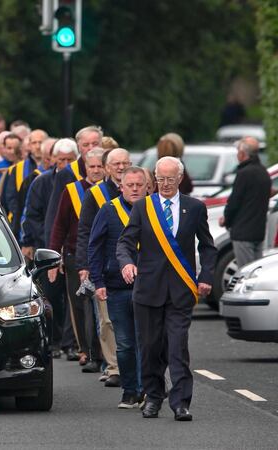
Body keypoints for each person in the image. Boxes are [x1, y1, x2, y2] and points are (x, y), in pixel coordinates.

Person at [117, 156, 217, 421]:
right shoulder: (143, 207)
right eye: (160, 179)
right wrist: (127, 264)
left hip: (181, 290)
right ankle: (153, 397)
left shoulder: (194, 208)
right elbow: (126, 242)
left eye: (170, 179)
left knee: (177, 347)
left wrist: (206, 275)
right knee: (150, 348)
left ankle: (181, 402)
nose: (164, 184)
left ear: (180, 179)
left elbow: (207, 246)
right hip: (148, 290)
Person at [88, 166, 147, 408]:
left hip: (148, 287)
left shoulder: (153, 210)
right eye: (129, 185)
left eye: (139, 185)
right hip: (116, 286)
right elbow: (95, 246)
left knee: (146, 340)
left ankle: (147, 389)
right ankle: (130, 390)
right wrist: (98, 281)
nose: (134, 189)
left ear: (147, 187)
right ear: (120, 186)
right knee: (124, 343)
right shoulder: (108, 210)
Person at [75, 148, 132, 385]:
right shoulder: (96, 194)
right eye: (115, 164)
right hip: (108, 268)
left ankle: (134, 366)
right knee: (108, 320)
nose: (120, 167)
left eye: (124, 163)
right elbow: (86, 232)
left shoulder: (142, 191)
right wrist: (85, 265)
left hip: (137, 268)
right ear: (107, 168)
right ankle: (114, 368)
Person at [49, 147, 106, 372]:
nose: (96, 170)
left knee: (102, 307)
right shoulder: (72, 190)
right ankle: (87, 350)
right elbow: (59, 225)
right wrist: (55, 257)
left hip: (104, 255)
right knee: (81, 305)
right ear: (85, 168)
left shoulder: (111, 190)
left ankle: (103, 351)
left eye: (100, 166)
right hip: (75, 255)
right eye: (91, 166)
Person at [20, 139, 79, 359]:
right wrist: (36, 240)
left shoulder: (79, 184)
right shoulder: (41, 182)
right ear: (52, 159)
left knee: (73, 296)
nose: (64, 163)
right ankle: (53, 340)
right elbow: (32, 215)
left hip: (72, 247)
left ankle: (71, 343)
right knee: (52, 295)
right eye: (60, 159)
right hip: (47, 247)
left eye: (69, 160)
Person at [220, 137, 271, 267]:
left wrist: (226, 219)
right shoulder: (263, 172)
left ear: (243, 154)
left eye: (238, 151)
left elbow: (234, 201)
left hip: (243, 232)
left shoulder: (244, 173)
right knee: (256, 269)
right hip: (258, 231)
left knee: (245, 271)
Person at [2, 129, 48, 238]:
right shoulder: (17, 169)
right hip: (21, 223)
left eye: (40, 142)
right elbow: (10, 198)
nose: (37, 146)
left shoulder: (53, 168)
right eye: (34, 143)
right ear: (29, 146)